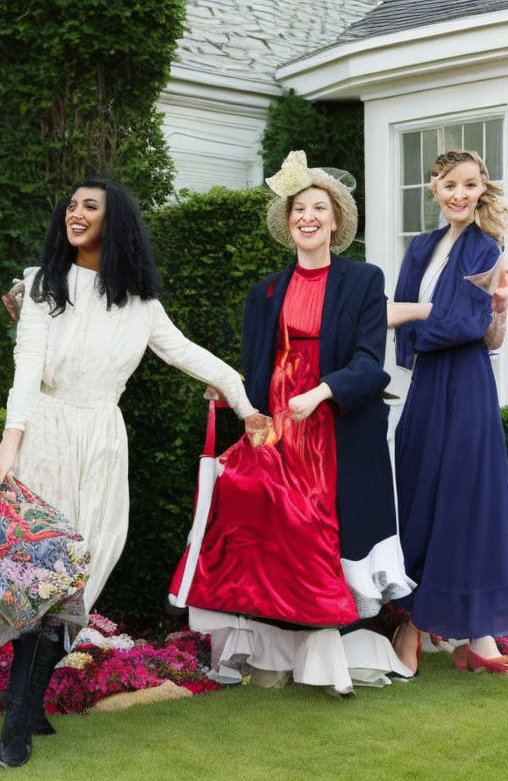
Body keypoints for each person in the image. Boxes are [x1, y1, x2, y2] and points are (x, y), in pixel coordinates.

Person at [0, 176, 268, 767]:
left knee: (84, 573)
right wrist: (10, 444)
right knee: (44, 571)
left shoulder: (140, 304)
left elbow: (188, 354)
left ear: (115, 224)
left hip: (103, 444)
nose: (75, 212)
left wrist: (243, 402)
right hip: (46, 434)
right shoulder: (41, 285)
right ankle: (17, 719)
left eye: (90, 205)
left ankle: (29, 699)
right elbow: (24, 370)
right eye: (70, 204)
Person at [177, 151, 416, 695]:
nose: (307, 217)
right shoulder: (262, 291)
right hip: (278, 423)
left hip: (334, 420)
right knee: (269, 524)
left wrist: (321, 392)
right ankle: (277, 647)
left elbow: (368, 363)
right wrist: (231, 392)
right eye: (298, 210)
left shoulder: (363, 281)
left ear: (335, 222)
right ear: (288, 225)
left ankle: (328, 648)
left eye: (318, 208)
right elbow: (258, 369)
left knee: (320, 525)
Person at [388, 149, 508, 677]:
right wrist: (439, 317)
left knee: (469, 502)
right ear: (434, 189)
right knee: (421, 495)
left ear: (481, 189)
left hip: (470, 385)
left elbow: (477, 332)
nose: (460, 194)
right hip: (427, 386)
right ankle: (412, 623)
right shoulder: (421, 248)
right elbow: (404, 329)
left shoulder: (486, 247)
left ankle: (480, 636)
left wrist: (486, 316)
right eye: (450, 184)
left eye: (470, 185)